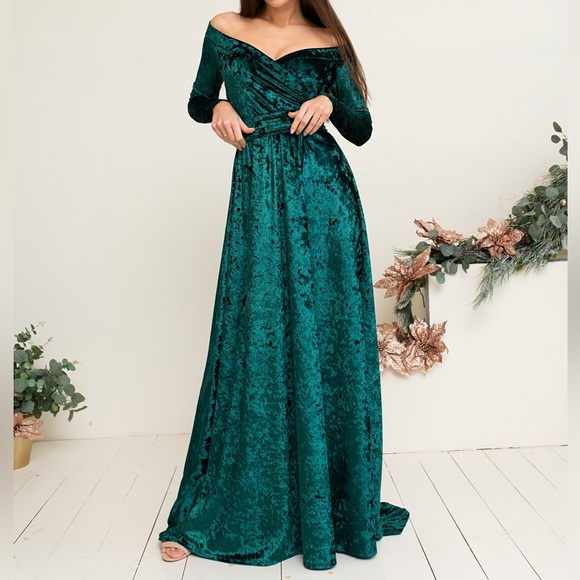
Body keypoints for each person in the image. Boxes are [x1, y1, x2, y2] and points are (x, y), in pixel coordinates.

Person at [158, 0, 410, 570]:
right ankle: (239, 505)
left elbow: (362, 130)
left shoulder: (326, 39)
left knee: (326, 340)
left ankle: (329, 508)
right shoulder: (225, 29)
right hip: (259, 198)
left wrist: (331, 100)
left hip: (324, 201)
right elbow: (198, 101)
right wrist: (220, 104)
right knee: (257, 339)